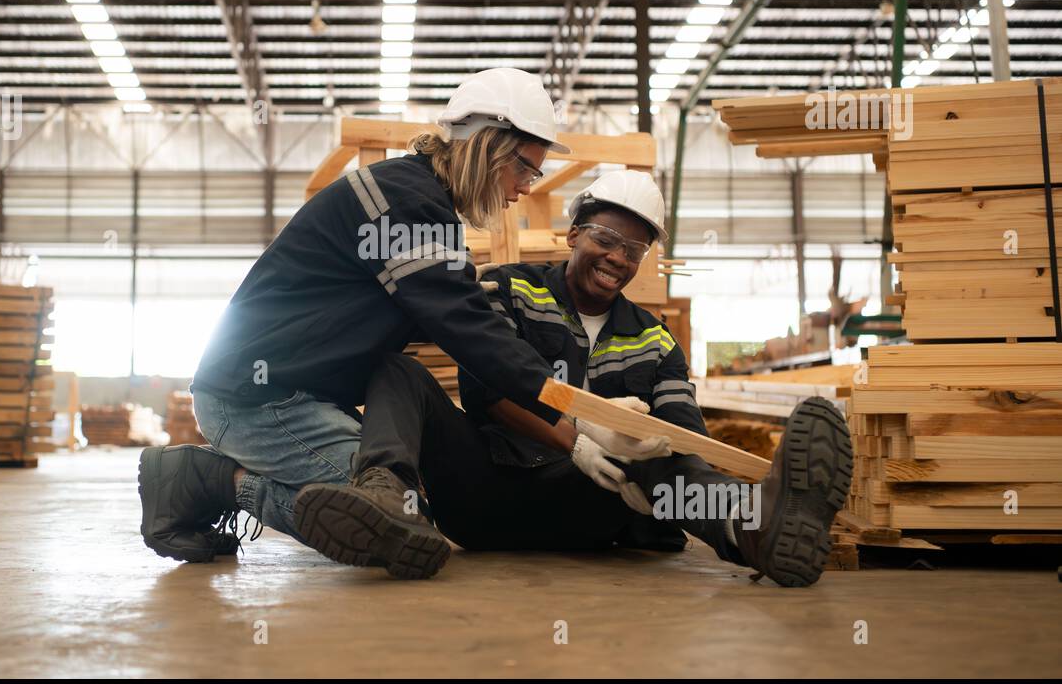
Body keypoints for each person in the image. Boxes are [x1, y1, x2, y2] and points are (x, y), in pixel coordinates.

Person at [138, 69, 668, 578]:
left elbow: (455, 312)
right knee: (389, 519)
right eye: (526, 168)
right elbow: (464, 325)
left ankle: (204, 478)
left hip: (294, 397)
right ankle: (213, 481)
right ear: (489, 149)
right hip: (254, 400)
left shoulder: (420, 204)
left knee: (401, 508)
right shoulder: (404, 204)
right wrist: (577, 414)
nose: (528, 186)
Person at [296, 170, 854, 587]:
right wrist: (578, 439)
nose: (617, 257)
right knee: (398, 370)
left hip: (595, 508)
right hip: (487, 493)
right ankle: (389, 503)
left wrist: (656, 487)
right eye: (606, 239)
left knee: (664, 447)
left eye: (634, 250)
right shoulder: (510, 290)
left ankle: (756, 528)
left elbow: (684, 436)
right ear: (573, 235)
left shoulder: (656, 340)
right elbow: (487, 394)